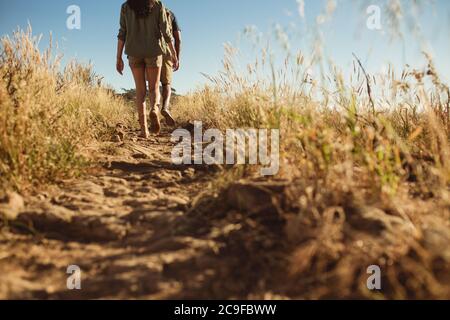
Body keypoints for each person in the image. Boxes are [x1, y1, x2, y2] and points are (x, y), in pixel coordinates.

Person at [116, 0, 178, 137]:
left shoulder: (125, 7)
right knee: (154, 88)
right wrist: (173, 53)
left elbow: (122, 33)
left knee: (140, 91)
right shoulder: (157, 5)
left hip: (133, 52)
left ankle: (144, 130)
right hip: (154, 51)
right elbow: (166, 32)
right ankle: (155, 109)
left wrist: (118, 57)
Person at [159, 8, 182, 127]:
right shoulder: (170, 14)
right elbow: (178, 39)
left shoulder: (147, 10)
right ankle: (165, 107)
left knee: (152, 84)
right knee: (166, 83)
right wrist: (177, 56)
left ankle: (154, 108)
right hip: (167, 50)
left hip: (150, 50)